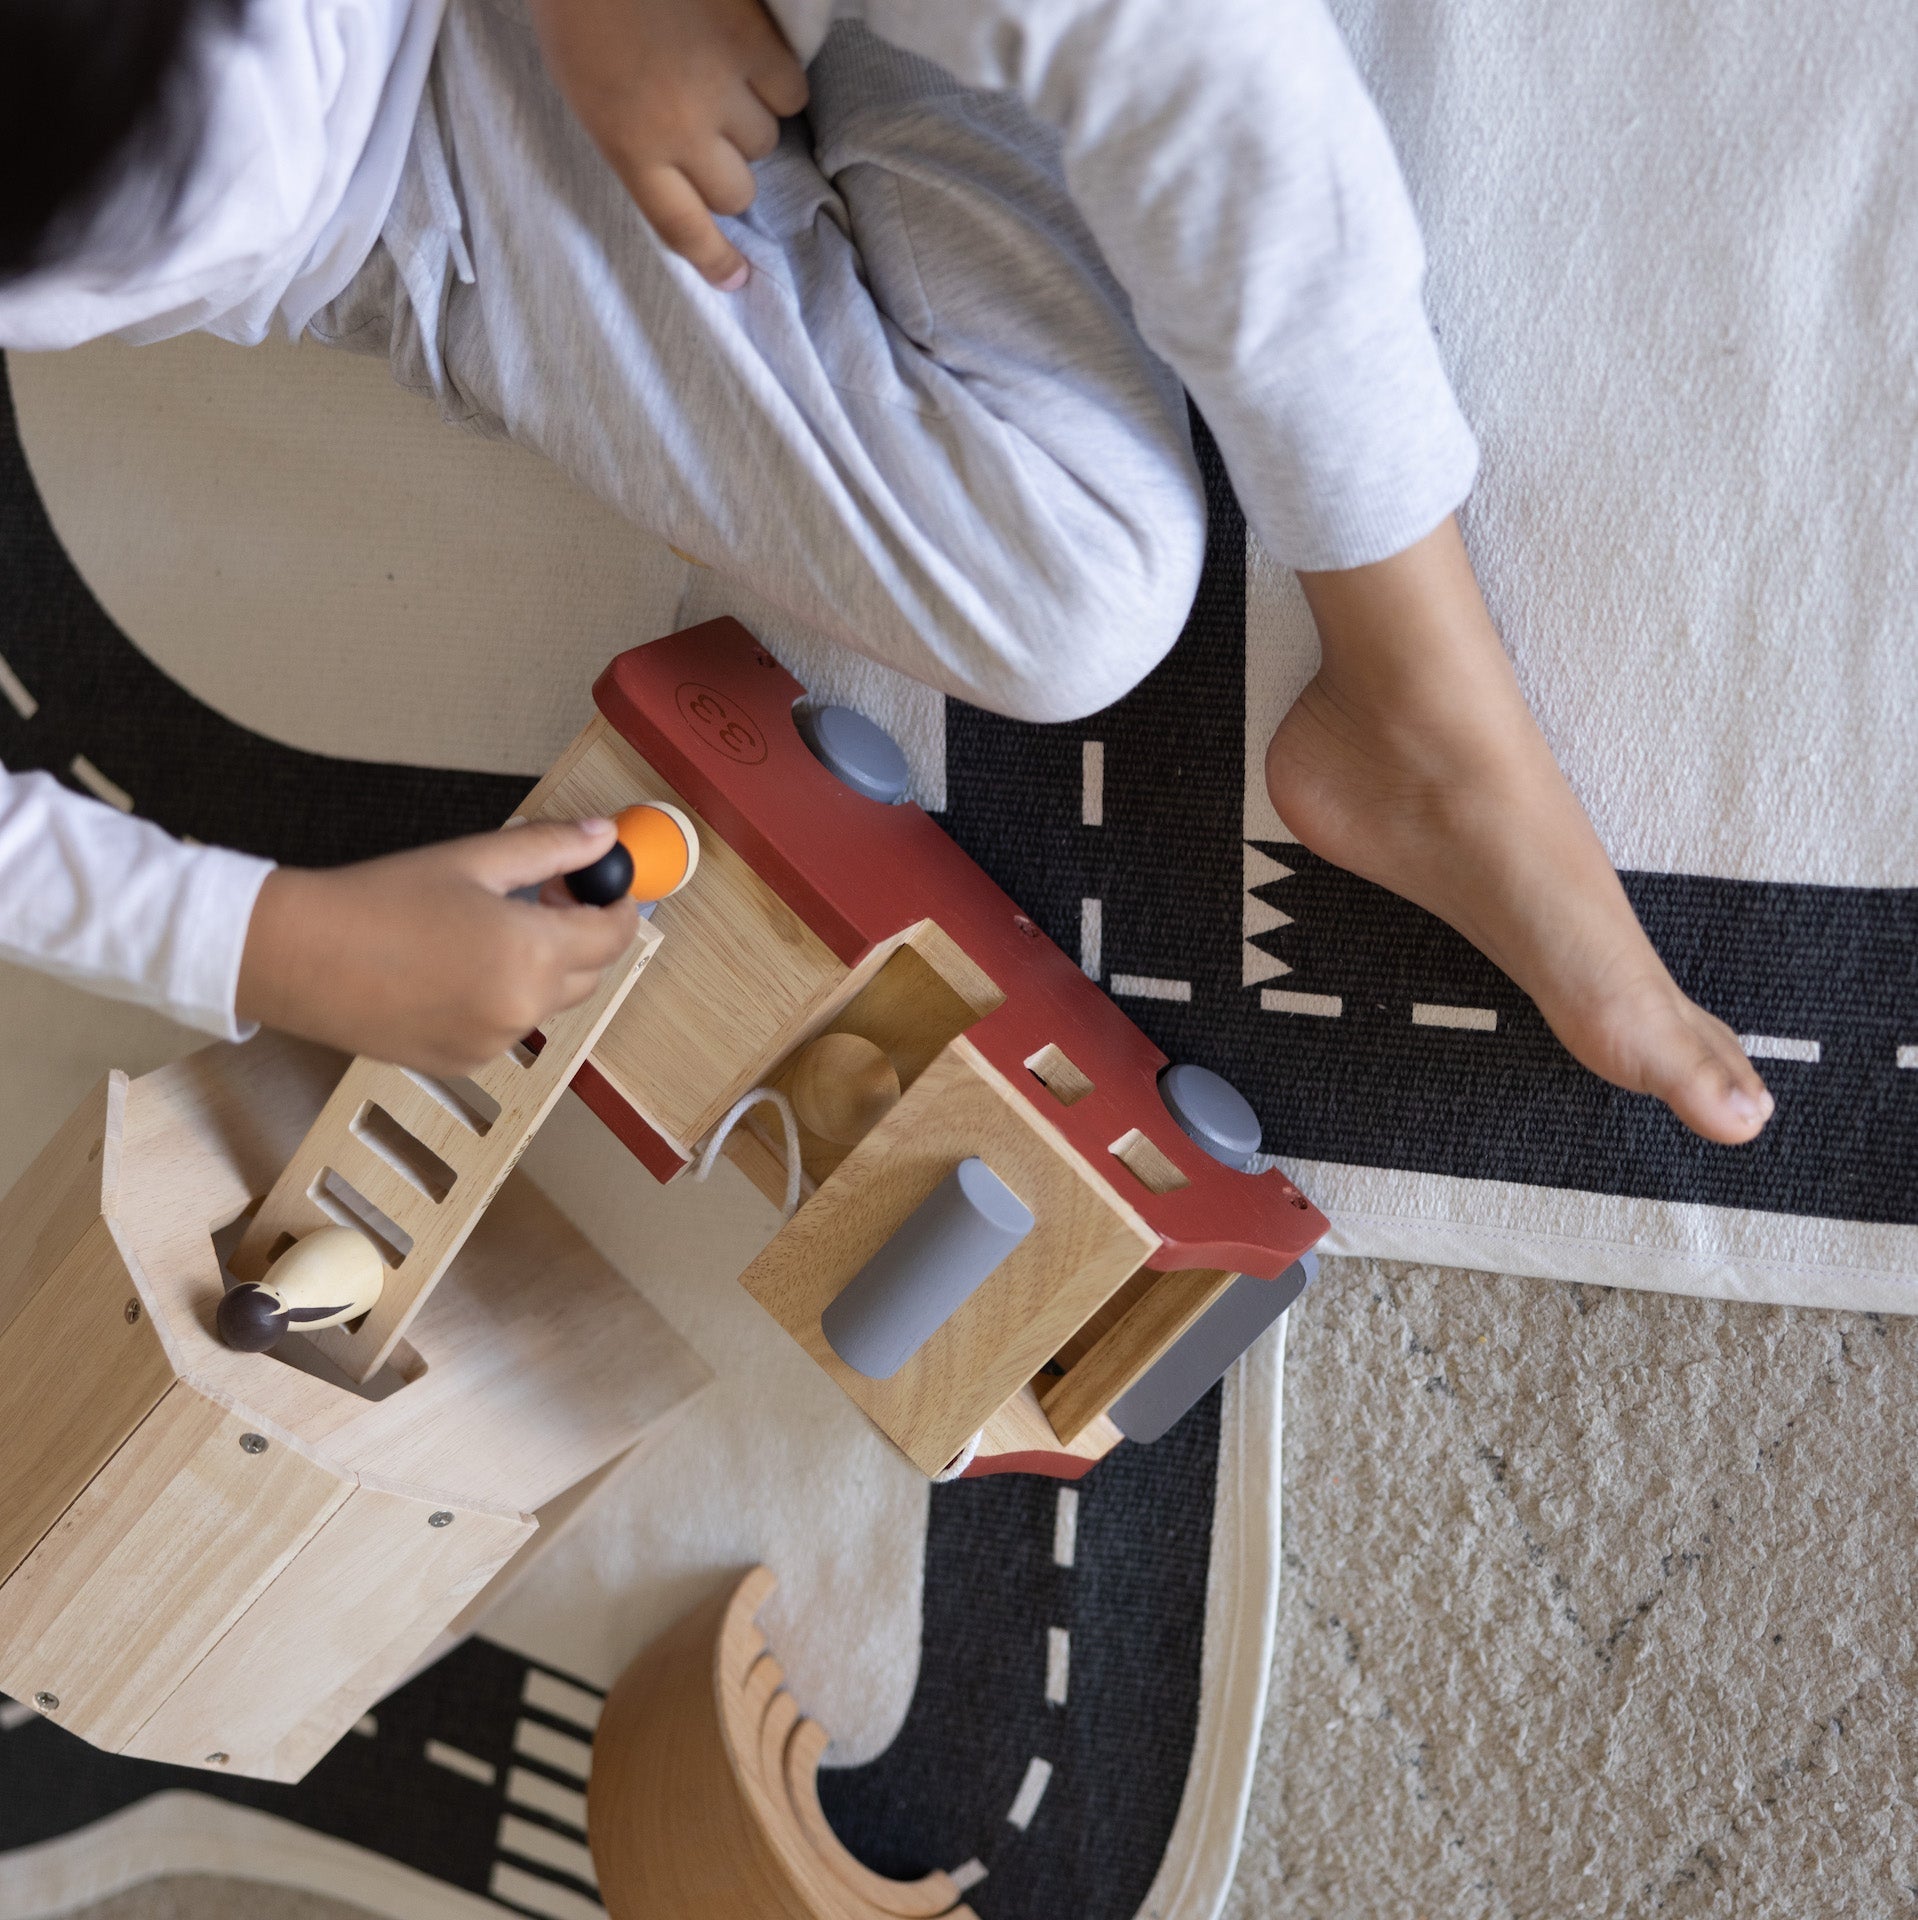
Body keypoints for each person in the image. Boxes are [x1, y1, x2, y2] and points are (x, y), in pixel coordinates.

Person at [0, 0, 1775, 1141]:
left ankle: (1429, 702)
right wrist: (267, 940)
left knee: (1176, 42)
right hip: (422, 199)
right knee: (1066, 590)